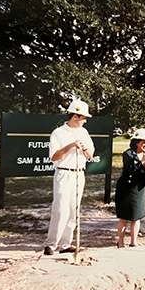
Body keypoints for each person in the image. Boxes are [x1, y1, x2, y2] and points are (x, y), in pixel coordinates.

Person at [44, 99, 95, 255]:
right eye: (83, 118)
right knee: (60, 209)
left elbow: (90, 154)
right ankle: (51, 243)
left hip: (79, 173)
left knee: (74, 210)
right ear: (75, 116)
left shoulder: (83, 132)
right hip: (64, 172)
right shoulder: (58, 133)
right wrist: (70, 146)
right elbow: (54, 156)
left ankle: (66, 244)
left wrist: (84, 147)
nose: (85, 121)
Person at [115, 128, 145, 248]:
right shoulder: (128, 154)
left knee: (136, 215)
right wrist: (141, 162)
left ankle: (134, 241)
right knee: (125, 217)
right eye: (143, 142)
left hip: (139, 189)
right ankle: (121, 241)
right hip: (126, 189)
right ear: (136, 142)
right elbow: (130, 170)